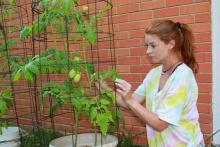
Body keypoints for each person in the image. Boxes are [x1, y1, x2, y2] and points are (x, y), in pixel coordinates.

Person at [96, 19, 204, 147]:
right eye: (147, 46)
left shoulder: (182, 76)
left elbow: (160, 124)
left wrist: (130, 100)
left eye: (153, 45)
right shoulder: (154, 74)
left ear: (170, 44)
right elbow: (128, 103)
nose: (148, 51)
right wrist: (104, 88)